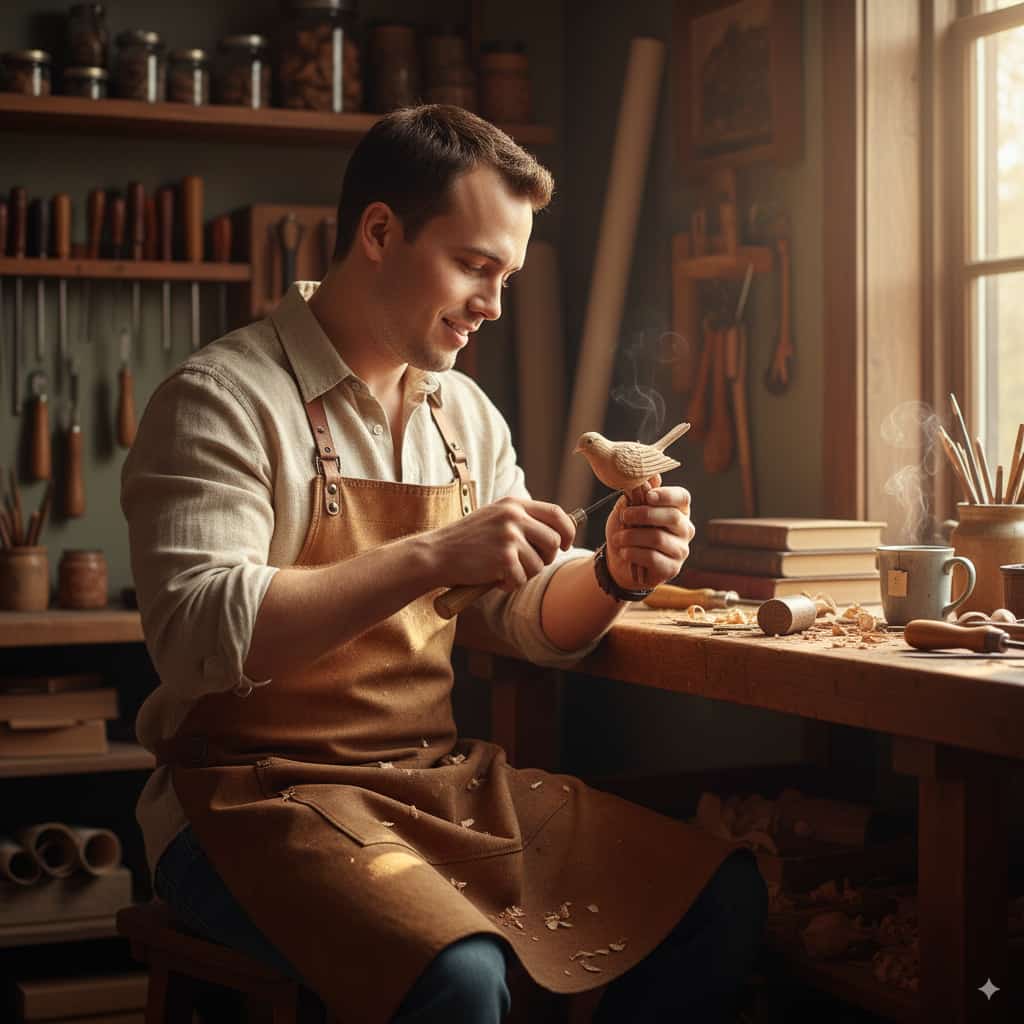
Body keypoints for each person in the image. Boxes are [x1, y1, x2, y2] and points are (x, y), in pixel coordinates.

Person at [122, 104, 766, 1024]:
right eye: (474, 266)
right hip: (248, 798)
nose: (494, 304)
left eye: (507, 275)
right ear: (379, 231)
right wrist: (430, 553)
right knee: (461, 975)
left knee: (714, 901)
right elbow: (198, 638)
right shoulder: (222, 399)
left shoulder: (463, 415)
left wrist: (615, 574)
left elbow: (520, 615)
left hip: (430, 781)